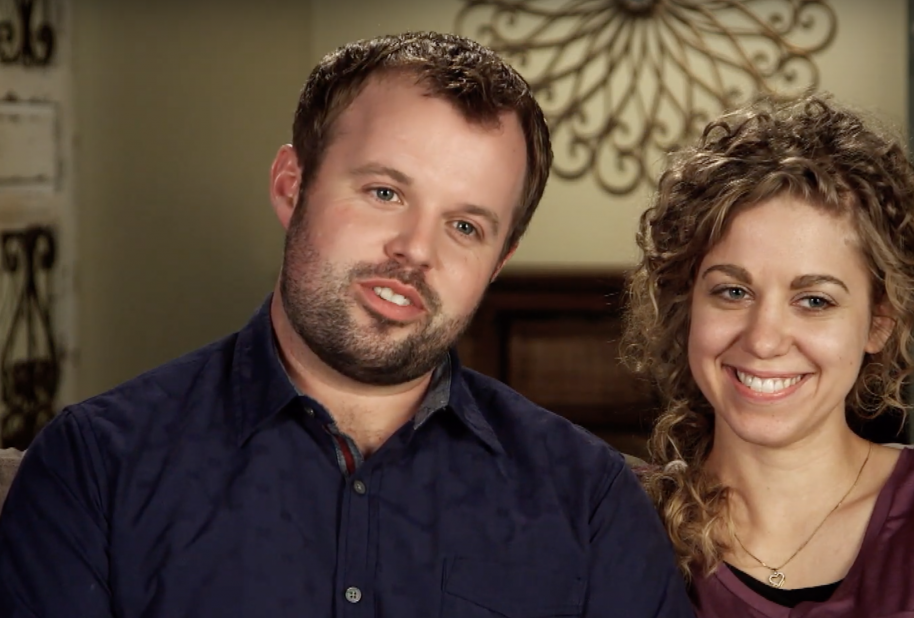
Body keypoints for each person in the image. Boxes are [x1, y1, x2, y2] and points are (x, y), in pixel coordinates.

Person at [0, 32, 694, 618]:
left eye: (465, 225)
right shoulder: (93, 470)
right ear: (290, 186)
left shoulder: (593, 504)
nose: (416, 250)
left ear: (499, 260)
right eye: (385, 192)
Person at [622, 94, 914, 616]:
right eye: (732, 292)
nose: (764, 340)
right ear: (687, 304)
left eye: (814, 300)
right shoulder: (616, 517)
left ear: (880, 321)